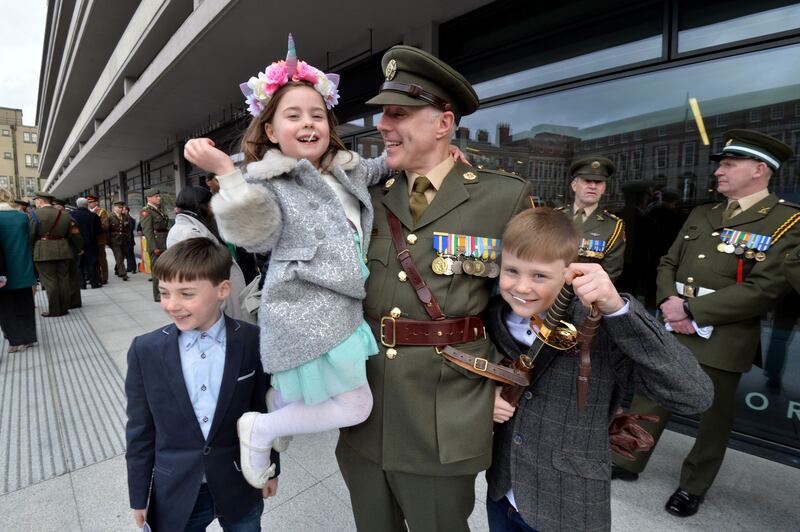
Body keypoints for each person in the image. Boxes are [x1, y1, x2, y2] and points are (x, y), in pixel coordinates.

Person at [185, 34, 418, 491]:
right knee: (356, 407)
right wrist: (226, 172)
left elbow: (386, 166)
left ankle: (279, 406)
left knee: (298, 391)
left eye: (317, 114)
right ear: (271, 131)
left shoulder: (349, 168)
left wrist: (439, 153)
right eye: (293, 116)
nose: (308, 123)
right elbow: (252, 232)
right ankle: (264, 427)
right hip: (304, 312)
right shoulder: (265, 180)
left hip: (343, 308)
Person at [332, 46, 533, 532]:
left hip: (449, 409)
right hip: (366, 407)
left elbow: (534, 305)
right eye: (382, 113)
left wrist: (509, 380)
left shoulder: (503, 196)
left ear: (443, 124)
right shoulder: (366, 197)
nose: (382, 124)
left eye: (398, 113)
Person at [482, 208, 712, 531]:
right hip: (502, 492)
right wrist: (484, 399)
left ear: (569, 273)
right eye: (512, 271)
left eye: (539, 276)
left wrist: (619, 310)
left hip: (569, 506)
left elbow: (695, 394)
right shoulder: (493, 316)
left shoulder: (600, 325)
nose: (521, 287)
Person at [613, 129, 800, 517]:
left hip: (723, 337)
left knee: (712, 419)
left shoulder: (786, 222)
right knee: (649, 397)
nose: (719, 172)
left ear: (759, 170)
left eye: (730, 164)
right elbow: (667, 262)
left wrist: (693, 312)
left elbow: (764, 290)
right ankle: (626, 459)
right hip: (671, 323)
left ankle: (693, 485)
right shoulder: (704, 212)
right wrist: (668, 302)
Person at [125, 237, 279, 531]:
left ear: (222, 290)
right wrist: (139, 494)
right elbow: (140, 430)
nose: (172, 305)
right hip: (176, 487)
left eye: (186, 294)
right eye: (164, 293)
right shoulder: (145, 350)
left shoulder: (251, 341)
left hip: (239, 481)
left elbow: (264, 413)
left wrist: (271, 469)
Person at [167, 186, 248, 321]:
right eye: (211, 204)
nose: (213, 209)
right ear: (200, 205)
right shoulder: (189, 233)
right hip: (215, 307)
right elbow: (203, 277)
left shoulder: (193, 227)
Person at [556, 155, 625, 281]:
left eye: (598, 182)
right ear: (574, 185)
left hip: (584, 296)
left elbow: (610, 273)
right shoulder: (554, 217)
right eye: (587, 181)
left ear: (603, 188)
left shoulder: (613, 226)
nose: (593, 186)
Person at [31, 192, 82, 317]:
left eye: (36, 200)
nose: (36, 203)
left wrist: (32, 250)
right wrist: (78, 247)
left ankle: (54, 310)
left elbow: (31, 235)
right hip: (63, 250)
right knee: (63, 279)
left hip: (43, 251)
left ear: (40, 201)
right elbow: (72, 234)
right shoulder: (64, 215)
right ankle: (64, 307)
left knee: (50, 282)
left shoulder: (34, 214)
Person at [0, 195, 37, 352]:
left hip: (4, 271)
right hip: (23, 267)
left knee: (6, 308)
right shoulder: (22, 217)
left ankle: (14, 341)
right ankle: (28, 338)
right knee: (26, 304)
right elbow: (30, 239)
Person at [140, 188, 170, 302]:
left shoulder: (159, 209)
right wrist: (154, 247)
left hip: (164, 241)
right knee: (157, 270)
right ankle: (157, 294)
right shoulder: (146, 211)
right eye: (156, 196)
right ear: (149, 198)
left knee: (164, 269)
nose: (159, 198)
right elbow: (148, 231)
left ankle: (164, 291)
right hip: (157, 244)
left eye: (159, 196)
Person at [71, 197, 102, 289]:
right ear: (87, 205)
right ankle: (94, 283)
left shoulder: (71, 215)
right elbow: (98, 231)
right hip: (91, 243)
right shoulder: (94, 216)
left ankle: (82, 284)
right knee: (92, 263)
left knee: (78, 264)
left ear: (77, 205)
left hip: (77, 244)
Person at [87, 195, 110, 284]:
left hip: (99, 239)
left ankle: (104, 277)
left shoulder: (101, 212)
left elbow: (105, 225)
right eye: (88, 202)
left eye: (91, 202)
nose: (89, 204)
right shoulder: (87, 212)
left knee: (101, 258)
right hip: (90, 240)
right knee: (93, 259)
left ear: (96, 202)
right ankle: (95, 276)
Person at [108, 200, 131, 281]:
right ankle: (123, 273)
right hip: (114, 239)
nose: (121, 209)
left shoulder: (125, 216)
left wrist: (128, 238)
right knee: (119, 256)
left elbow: (127, 228)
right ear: (114, 207)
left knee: (123, 255)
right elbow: (107, 230)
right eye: (119, 207)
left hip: (123, 239)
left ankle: (117, 269)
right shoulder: (110, 217)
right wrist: (108, 241)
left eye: (122, 207)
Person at [123, 205, 138, 274]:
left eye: (124, 209)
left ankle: (133, 268)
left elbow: (131, 228)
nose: (123, 211)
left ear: (127, 210)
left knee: (131, 254)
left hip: (129, 239)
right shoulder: (124, 218)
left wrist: (125, 225)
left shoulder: (130, 219)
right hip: (126, 239)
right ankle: (129, 267)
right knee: (127, 254)